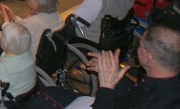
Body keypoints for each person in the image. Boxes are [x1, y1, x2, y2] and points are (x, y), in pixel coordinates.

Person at [28, 25, 180, 108]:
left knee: (39, 101)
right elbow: (137, 89)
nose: (137, 50)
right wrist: (114, 74)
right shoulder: (167, 81)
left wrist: (106, 86)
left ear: (148, 56)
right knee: (52, 92)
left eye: (140, 46)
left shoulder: (150, 102)